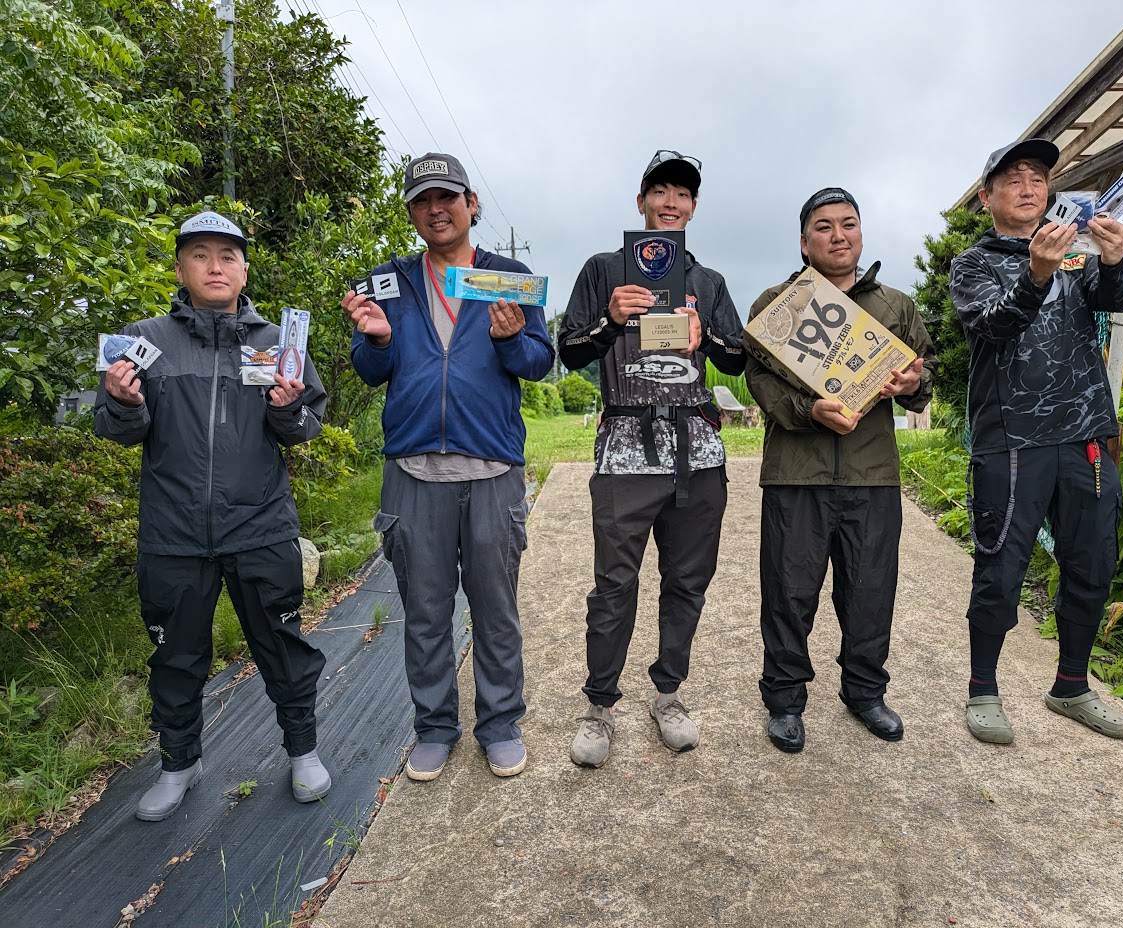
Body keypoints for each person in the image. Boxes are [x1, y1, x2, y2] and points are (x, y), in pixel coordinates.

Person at [96, 211, 331, 821]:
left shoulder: (279, 344)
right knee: (174, 657)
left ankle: (302, 751)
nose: (216, 266)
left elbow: (304, 429)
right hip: (172, 534)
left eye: (228, 255)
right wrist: (122, 402)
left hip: (260, 526)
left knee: (282, 644)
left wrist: (287, 407)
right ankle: (179, 763)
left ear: (245, 268)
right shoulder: (140, 342)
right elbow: (117, 431)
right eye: (201, 255)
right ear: (180, 269)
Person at [343, 153, 553, 781]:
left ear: (471, 203)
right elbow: (369, 370)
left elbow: (539, 363)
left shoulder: (509, 277)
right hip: (412, 471)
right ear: (411, 212)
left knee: (495, 608)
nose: (436, 210)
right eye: (421, 200)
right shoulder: (389, 281)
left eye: (447, 197)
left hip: (492, 468)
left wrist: (510, 337)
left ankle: (499, 724)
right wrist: (378, 340)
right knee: (426, 610)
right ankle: (434, 727)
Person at [558, 149, 746, 767]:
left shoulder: (707, 281)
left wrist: (706, 335)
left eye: (682, 194)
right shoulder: (604, 268)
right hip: (623, 451)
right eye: (660, 191)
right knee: (614, 584)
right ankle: (599, 705)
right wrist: (611, 321)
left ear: (693, 207)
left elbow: (738, 357)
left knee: (687, 581)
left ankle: (667, 692)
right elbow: (570, 351)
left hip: (697, 450)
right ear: (640, 202)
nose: (671, 202)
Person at [949, 138, 1123, 744]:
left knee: (1091, 563)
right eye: (1013, 179)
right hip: (1011, 441)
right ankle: (983, 689)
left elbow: (1117, 301)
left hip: (1086, 434)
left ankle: (1072, 686)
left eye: (1037, 178)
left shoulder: (1079, 253)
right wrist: (1036, 272)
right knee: (1000, 569)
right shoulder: (973, 263)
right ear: (988, 197)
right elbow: (992, 324)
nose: (1028, 187)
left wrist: (1114, 260)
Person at [746, 188, 936, 751]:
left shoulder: (895, 307)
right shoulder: (775, 305)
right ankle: (784, 700)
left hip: (873, 475)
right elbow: (760, 384)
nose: (837, 235)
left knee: (871, 591)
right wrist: (809, 411)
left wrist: (912, 383)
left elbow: (924, 379)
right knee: (787, 592)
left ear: (861, 234)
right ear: (804, 243)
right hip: (794, 475)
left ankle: (865, 692)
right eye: (823, 227)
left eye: (847, 224)